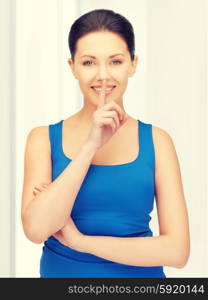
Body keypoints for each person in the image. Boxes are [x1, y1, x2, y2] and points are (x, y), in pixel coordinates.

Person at [21, 9, 190, 278]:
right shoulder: (42, 139)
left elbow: (177, 251)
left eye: (115, 62)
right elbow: (36, 229)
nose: (102, 76)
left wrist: (82, 243)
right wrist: (90, 146)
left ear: (133, 64)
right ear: (72, 66)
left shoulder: (158, 142)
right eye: (89, 63)